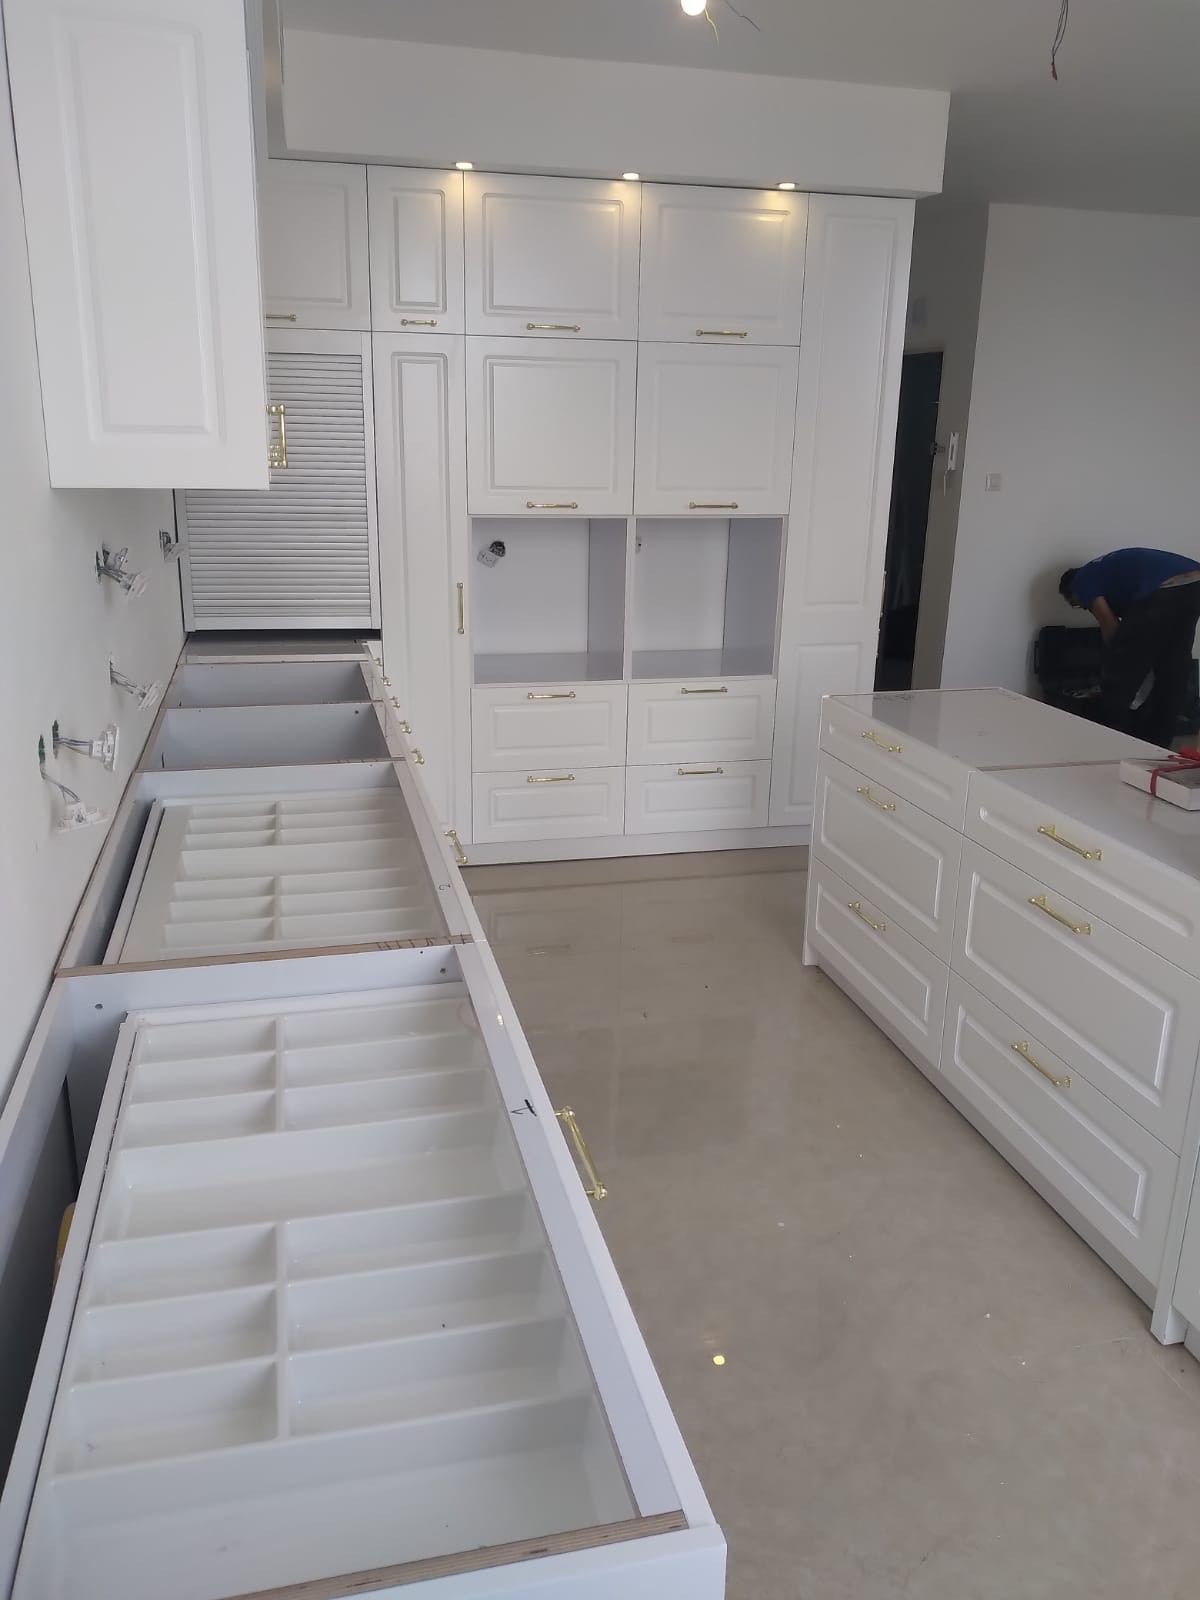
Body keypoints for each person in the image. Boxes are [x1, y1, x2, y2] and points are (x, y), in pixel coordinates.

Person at [1059, 548, 1200, 746]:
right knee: (1173, 669)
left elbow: (1110, 624)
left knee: (1121, 675)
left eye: (1077, 604)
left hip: (1163, 589)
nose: (1084, 607)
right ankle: (1159, 746)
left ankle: (1111, 742)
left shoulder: (1082, 580)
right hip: (1194, 585)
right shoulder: (1107, 574)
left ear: (1072, 591)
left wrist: (1113, 657)